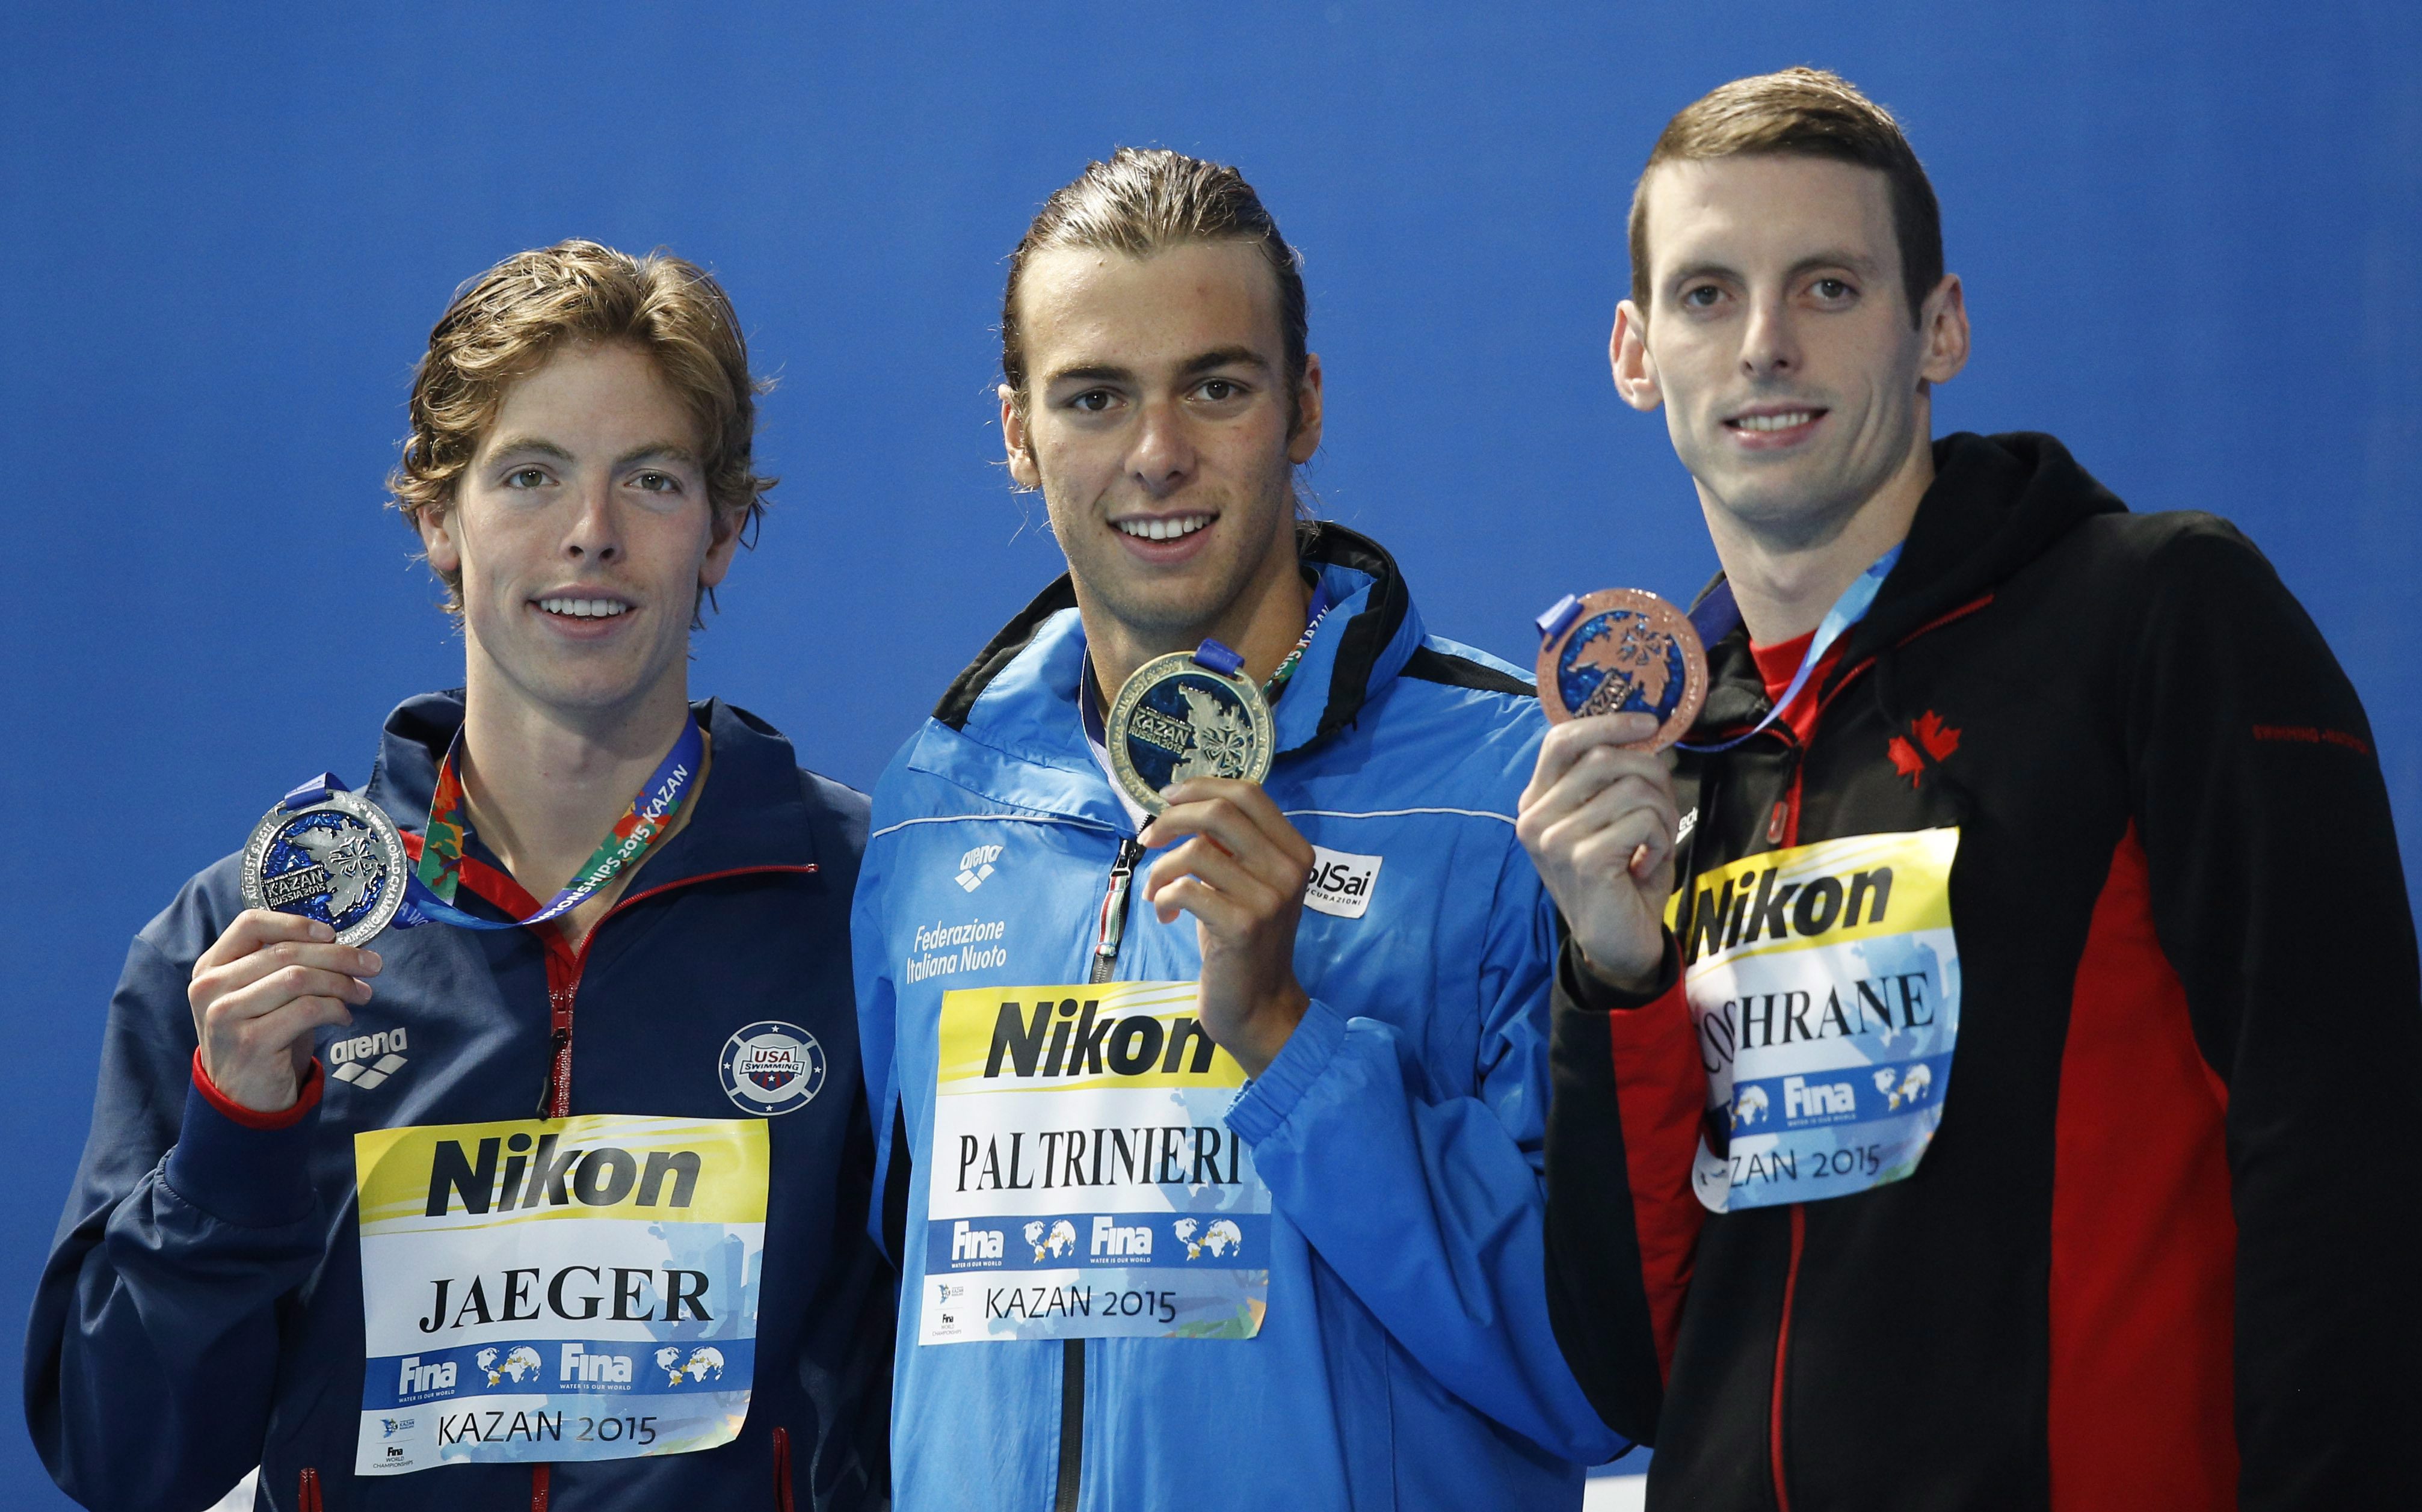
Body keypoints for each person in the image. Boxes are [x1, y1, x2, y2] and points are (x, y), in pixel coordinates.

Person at [1520, 67, 2422, 1510]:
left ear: (1938, 326)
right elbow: (1633, 1372)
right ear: (1634, 354)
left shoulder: (2155, 615)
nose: (1764, 346)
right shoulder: (1666, 755)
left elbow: (2347, 1155)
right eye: (1706, 295)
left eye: (1827, 287)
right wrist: (1615, 979)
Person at [25, 241, 892, 1512]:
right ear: (440, 516)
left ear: (718, 531)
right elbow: (129, 1464)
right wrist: (236, 1138)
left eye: (650, 481)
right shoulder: (249, 941)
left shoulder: (865, 903)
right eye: (531, 476)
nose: (590, 536)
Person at [852, 148, 1625, 1509]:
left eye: (1217, 386)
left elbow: (1595, 1372)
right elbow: (878, 1337)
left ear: (1305, 405)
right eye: (1095, 397)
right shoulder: (935, 805)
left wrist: (1285, 1036)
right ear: (1020, 433)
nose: (1158, 454)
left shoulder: (1513, 790)